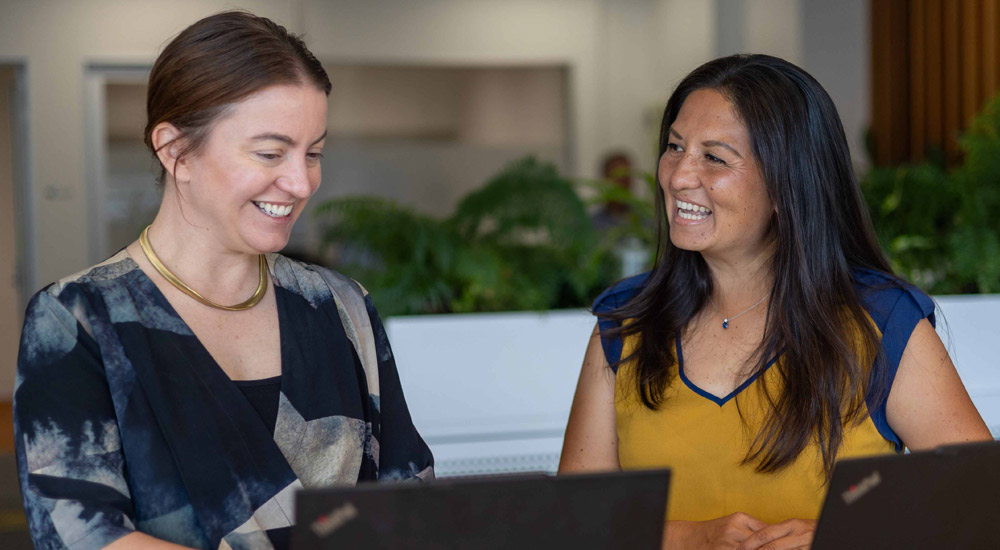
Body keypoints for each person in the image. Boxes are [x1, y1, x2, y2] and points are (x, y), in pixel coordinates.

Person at [14, 11, 433, 550]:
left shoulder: (340, 306)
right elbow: (80, 535)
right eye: (269, 152)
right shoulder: (79, 317)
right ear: (176, 151)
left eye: (314, 153)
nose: (301, 181)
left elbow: (410, 496)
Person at [559, 54, 991, 550]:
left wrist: (844, 536)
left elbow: (980, 508)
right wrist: (689, 538)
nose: (678, 176)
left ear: (789, 183)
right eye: (675, 147)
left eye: (715, 157)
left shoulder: (883, 322)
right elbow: (575, 526)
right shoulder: (625, 323)